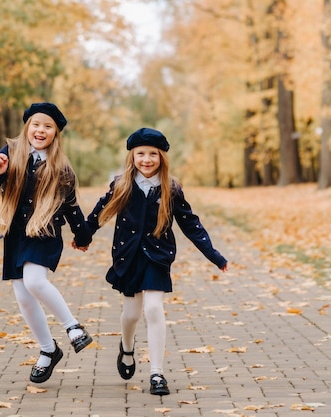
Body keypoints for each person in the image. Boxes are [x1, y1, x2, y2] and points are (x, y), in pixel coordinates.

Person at [82, 127, 228, 396]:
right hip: (128, 257)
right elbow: (99, 212)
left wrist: (215, 256)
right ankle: (126, 348)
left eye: (153, 154)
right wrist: (83, 236)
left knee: (153, 308)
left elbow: (191, 224)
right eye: (140, 154)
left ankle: (157, 373)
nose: (146, 159)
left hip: (157, 257)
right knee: (132, 314)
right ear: (132, 156)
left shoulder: (171, 189)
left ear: (162, 157)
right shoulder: (121, 185)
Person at [0, 102, 93, 384]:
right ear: (27, 127)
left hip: (45, 231)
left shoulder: (61, 167)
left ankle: (73, 328)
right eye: (36, 124)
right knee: (22, 296)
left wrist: (82, 236)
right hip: (16, 233)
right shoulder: (10, 152)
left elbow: (71, 207)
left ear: (56, 133)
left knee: (34, 281)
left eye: (48, 126)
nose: (41, 130)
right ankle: (48, 350)